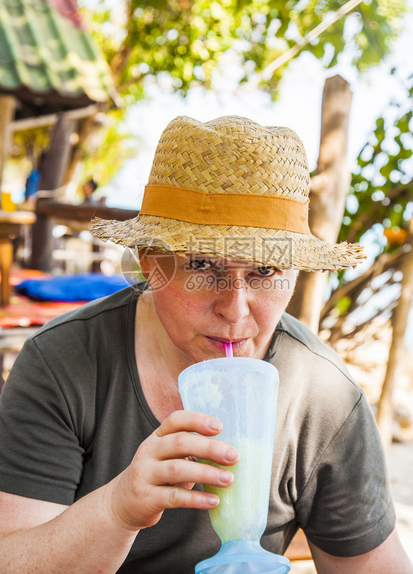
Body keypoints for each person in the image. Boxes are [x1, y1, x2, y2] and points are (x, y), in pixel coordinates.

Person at [0, 116, 411, 574]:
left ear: (294, 273)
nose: (235, 310)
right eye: (202, 263)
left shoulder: (322, 397)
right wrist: (117, 510)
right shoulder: (62, 364)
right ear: (150, 262)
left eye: (266, 271)